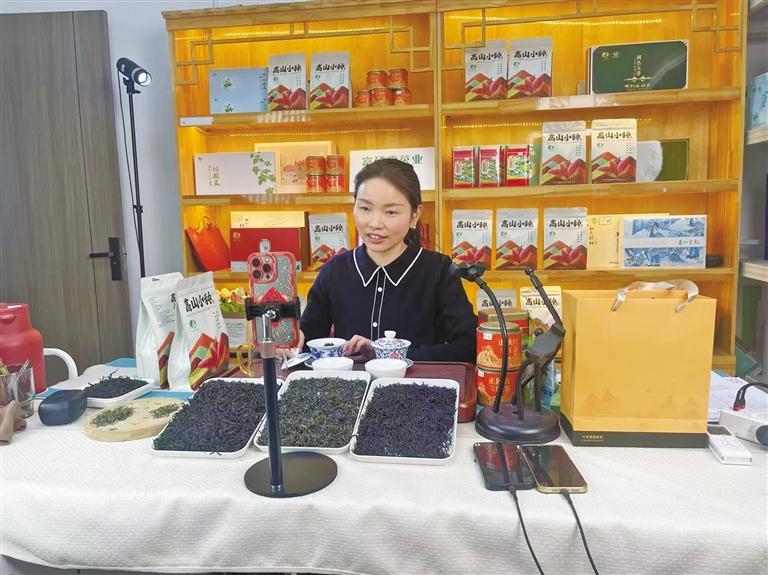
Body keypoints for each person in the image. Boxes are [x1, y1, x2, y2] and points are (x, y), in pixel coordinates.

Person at [297, 158, 477, 362]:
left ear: (415, 215)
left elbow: (467, 346)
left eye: (390, 212)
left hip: (418, 382)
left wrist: (388, 354)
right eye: (365, 208)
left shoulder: (439, 271)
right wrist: (293, 340)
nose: (375, 223)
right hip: (347, 383)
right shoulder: (334, 271)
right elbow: (308, 340)